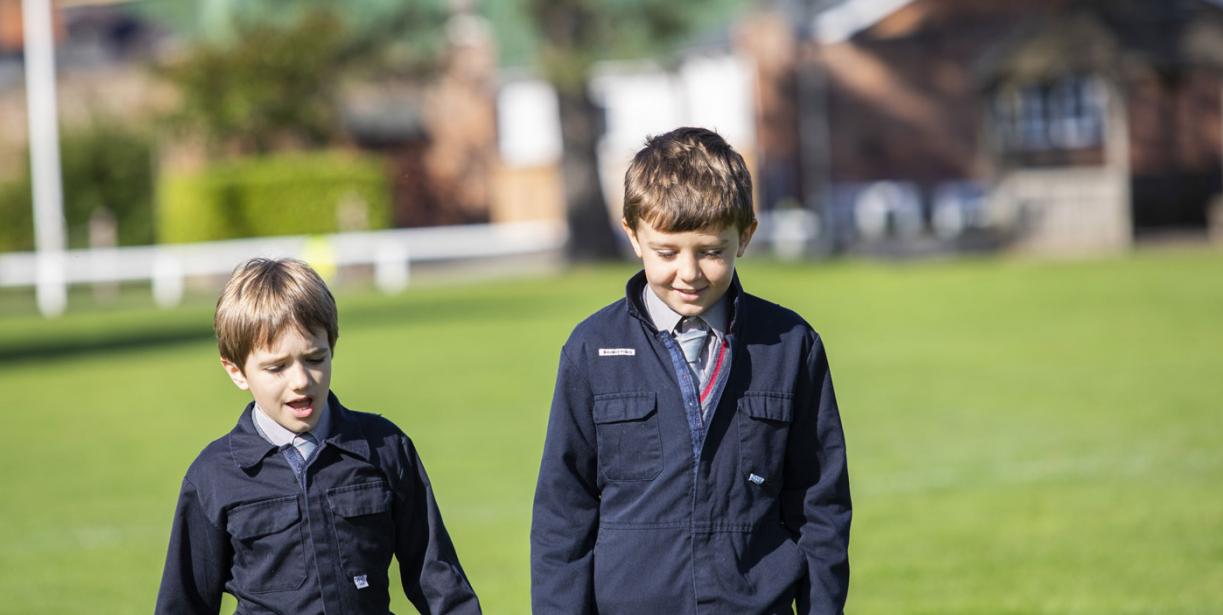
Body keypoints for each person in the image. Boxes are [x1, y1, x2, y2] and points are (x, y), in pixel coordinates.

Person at [530, 127, 852, 614]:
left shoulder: (791, 346)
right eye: (666, 252)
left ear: (745, 236)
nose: (689, 272)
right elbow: (563, 515)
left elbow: (820, 507)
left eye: (710, 251)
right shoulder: (591, 349)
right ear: (633, 234)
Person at [156, 258, 481, 615]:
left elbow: (439, 581)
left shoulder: (385, 448)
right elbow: (184, 604)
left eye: (314, 359)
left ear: (332, 347)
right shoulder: (214, 476)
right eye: (276, 367)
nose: (300, 380)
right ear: (237, 371)